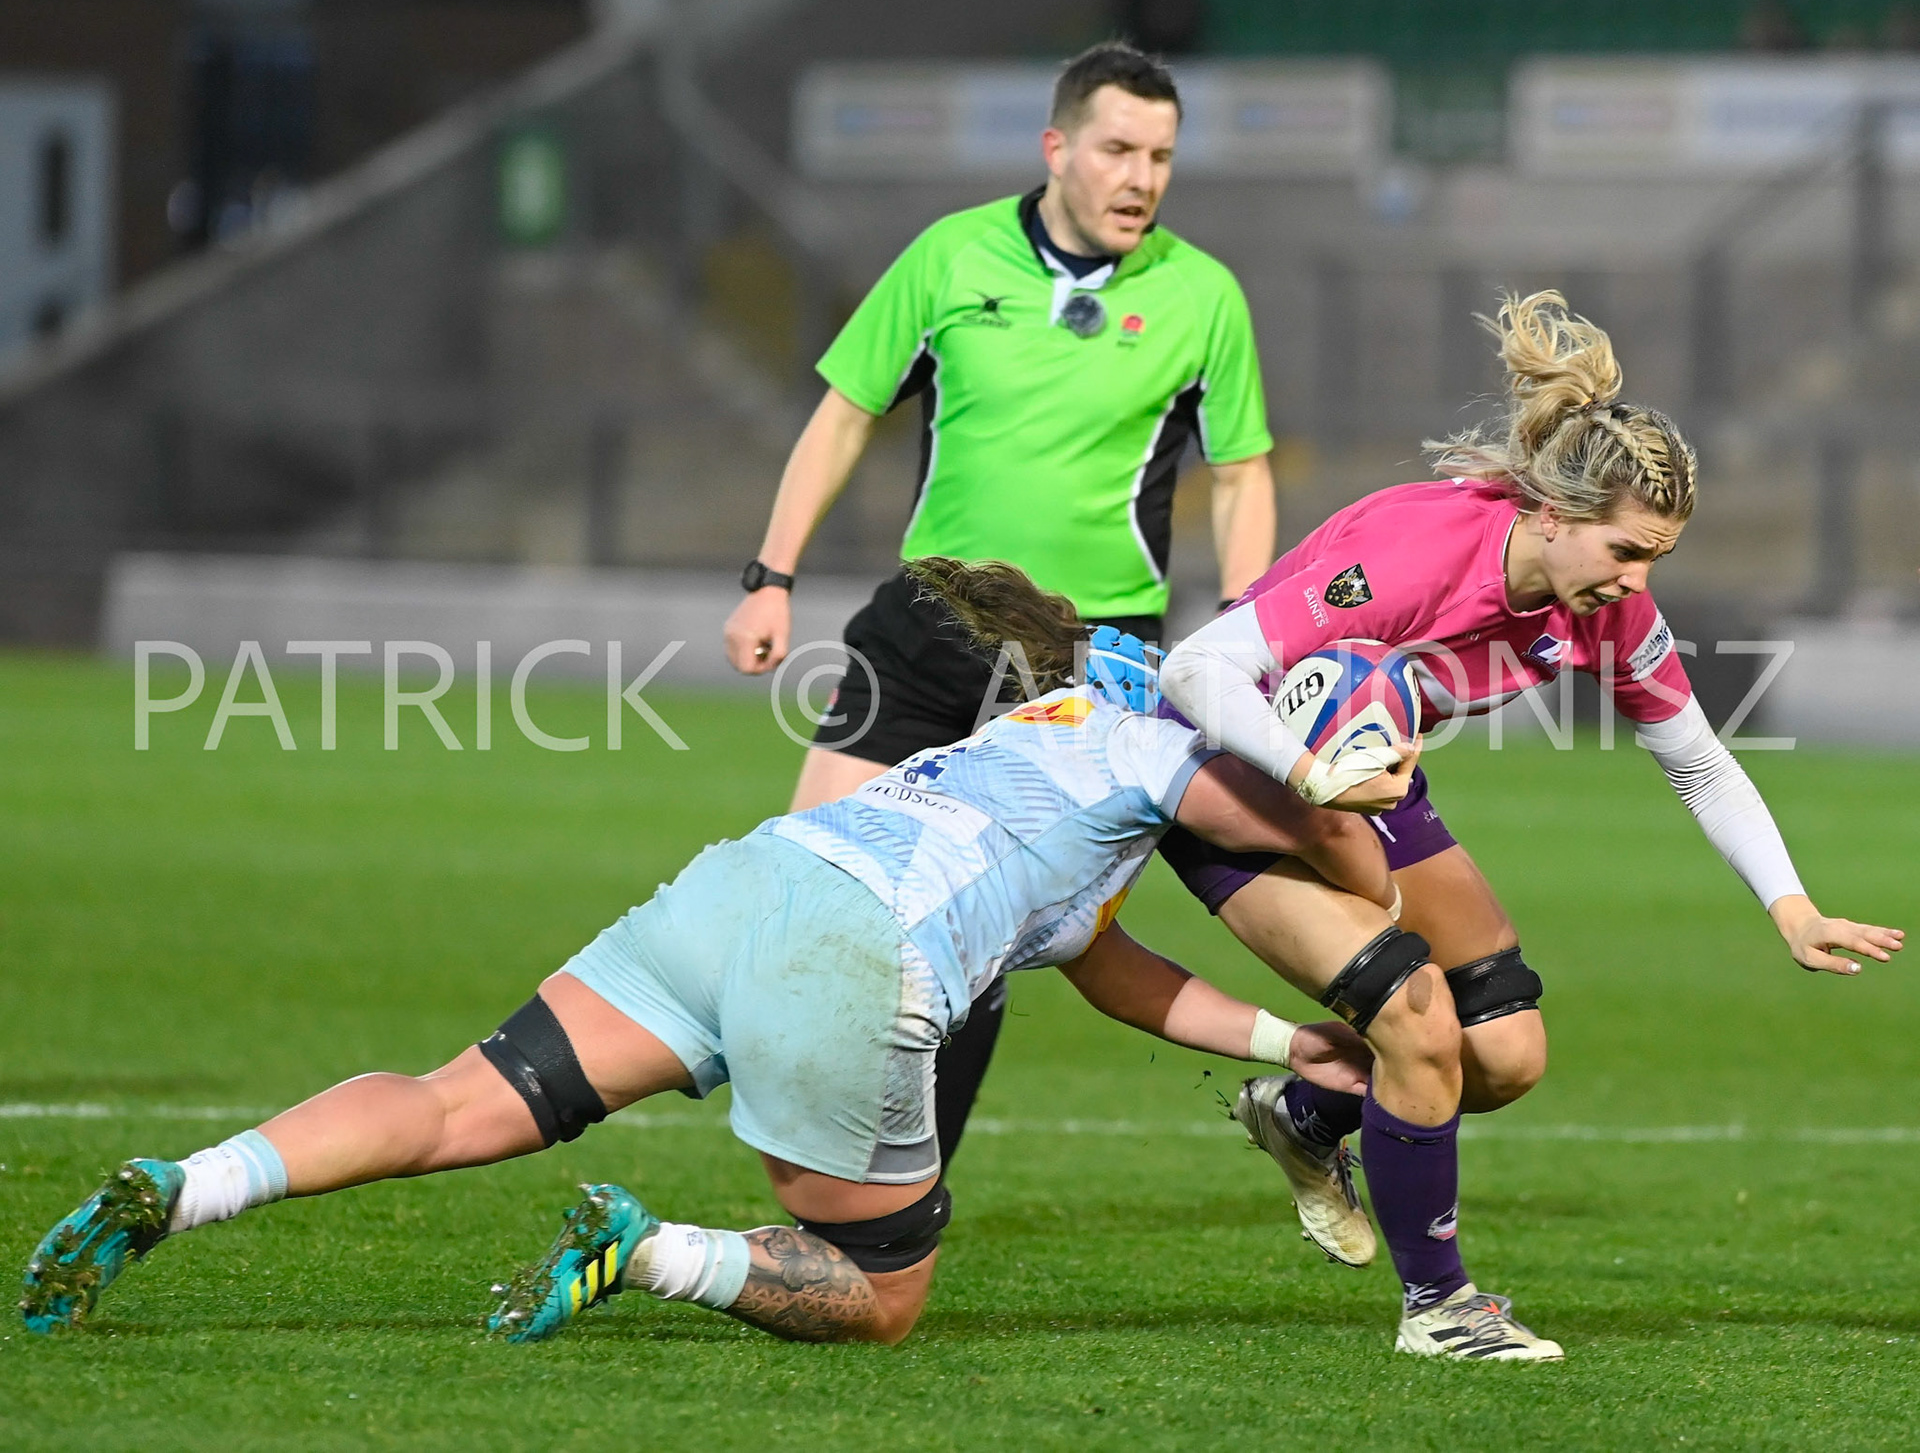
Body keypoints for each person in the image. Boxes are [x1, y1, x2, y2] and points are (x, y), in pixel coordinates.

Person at [24, 566, 1423, 1351]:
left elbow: (1109, 964)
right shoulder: (1174, 749)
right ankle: (651, 1248)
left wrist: (1274, 1042)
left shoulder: (1038, 733)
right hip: (851, 953)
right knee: (884, 1294)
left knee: (457, 1097)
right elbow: (1348, 861)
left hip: (750, 881)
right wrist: (1351, 774)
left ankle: (190, 1183)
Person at [1152, 291, 1904, 1339]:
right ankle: (1442, 1307)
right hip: (1226, 777)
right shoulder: (1418, 556)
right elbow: (1197, 667)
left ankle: (1307, 1111)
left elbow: (1698, 761)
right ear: (1554, 514)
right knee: (1417, 1015)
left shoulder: (1606, 609)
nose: (1637, 583)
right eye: (1625, 552)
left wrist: (1791, 904)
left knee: (1504, 1053)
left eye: (1656, 560)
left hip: (1358, 783)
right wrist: (1309, 773)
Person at [721, 40, 1277, 1169]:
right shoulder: (949, 256)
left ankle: (903, 1186)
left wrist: (1243, 630)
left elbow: (1244, 472)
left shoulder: (1203, 295)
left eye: (1162, 155)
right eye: (1119, 148)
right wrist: (771, 575)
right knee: (810, 883)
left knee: (977, 935)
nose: (1141, 177)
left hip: (1087, 661)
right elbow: (842, 414)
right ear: (1057, 147)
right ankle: (816, 1152)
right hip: (925, 626)